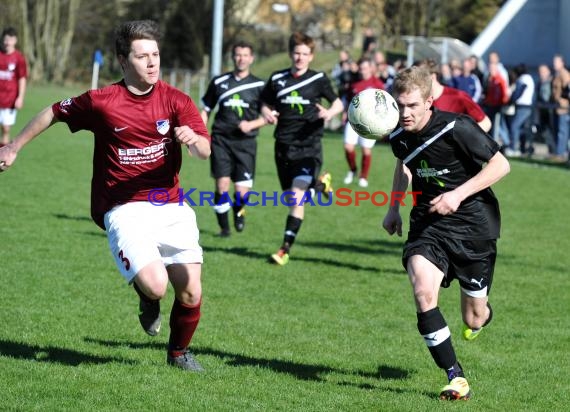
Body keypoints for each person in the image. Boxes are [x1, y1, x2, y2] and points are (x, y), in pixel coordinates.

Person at [0, 20, 211, 371]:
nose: (152, 63)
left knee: (191, 292)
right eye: (142, 56)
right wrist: (14, 146)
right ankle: (148, 299)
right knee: (157, 286)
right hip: (123, 208)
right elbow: (54, 111)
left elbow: (205, 151)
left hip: (169, 205)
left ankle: (178, 354)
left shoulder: (176, 100)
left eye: (155, 55)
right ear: (123, 61)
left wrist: (194, 140)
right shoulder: (103, 102)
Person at [382, 66, 510, 400]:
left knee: (474, 318)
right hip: (428, 224)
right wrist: (394, 207)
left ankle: (482, 313)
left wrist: (457, 195)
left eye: (412, 106)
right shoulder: (398, 136)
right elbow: (404, 165)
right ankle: (456, 377)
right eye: (400, 106)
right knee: (423, 292)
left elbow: (501, 165)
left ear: (429, 101)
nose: (405, 113)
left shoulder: (457, 127)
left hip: (473, 227)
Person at [260, 32, 344, 266]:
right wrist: (266, 111)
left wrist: (329, 113)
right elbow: (264, 101)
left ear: (311, 56)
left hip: (309, 146)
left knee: (297, 198)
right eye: (296, 53)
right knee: (292, 199)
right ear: (290, 54)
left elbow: (337, 102)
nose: (300, 58)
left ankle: (284, 249)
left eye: (305, 54)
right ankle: (320, 185)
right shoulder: (277, 78)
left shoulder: (318, 78)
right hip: (282, 146)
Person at [201, 41, 266, 237]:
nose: (241, 59)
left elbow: (268, 116)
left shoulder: (260, 86)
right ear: (232, 57)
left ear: (251, 58)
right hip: (221, 140)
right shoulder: (219, 82)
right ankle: (224, 228)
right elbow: (206, 110)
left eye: (245, 55)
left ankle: (239, 211)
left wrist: (251, 125)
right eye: (238, 55)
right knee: (222, 185)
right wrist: (198, 134)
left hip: (246, 143)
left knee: (241, 192)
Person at [342, 57, 385, 187]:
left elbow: (383, 104)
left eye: (365, 68)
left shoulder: (378, 84)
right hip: (354, 119)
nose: (362, 71)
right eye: (361, 68)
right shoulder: (354, 83)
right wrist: (345, 112)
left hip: (370, 122)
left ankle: (363, 177)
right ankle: (353, 170)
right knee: (348, 147)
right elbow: (348, 99)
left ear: (371, 68)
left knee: (366, 150)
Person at [419, 59, 492, 132]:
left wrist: (464, 137)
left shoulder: (458, 96)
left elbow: (486, 123)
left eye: (419, 78)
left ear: (433, 76)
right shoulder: (417, 102)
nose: (416, 83)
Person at [0, 27, 28, 146]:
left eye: (10, 39)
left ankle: (2, 156)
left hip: (10, 99)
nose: (8, 42)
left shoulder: (19, 58)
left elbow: (22, 78)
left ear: (15, 40)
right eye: (6, 39)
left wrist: (20, 97)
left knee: (6, 128)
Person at [506, 63, 535, 157]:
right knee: (522, 129)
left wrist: (512, 100)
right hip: (527, 106)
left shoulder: (523, 78)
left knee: (514, 126)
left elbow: (520, 89)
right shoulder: (529, 78)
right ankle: (522, 148)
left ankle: (513, 148)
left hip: (523, 106)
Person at [551, 54, 570, 162]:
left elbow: (567, 89)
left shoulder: (565, 74)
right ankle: (559, 152)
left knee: (562, 132)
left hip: (563, 107)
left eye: (556, 62)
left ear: (562, 63)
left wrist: (562, 99)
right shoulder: (557, 74)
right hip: (557, 107)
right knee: (558, 130)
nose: (554, 64)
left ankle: (560, 154)